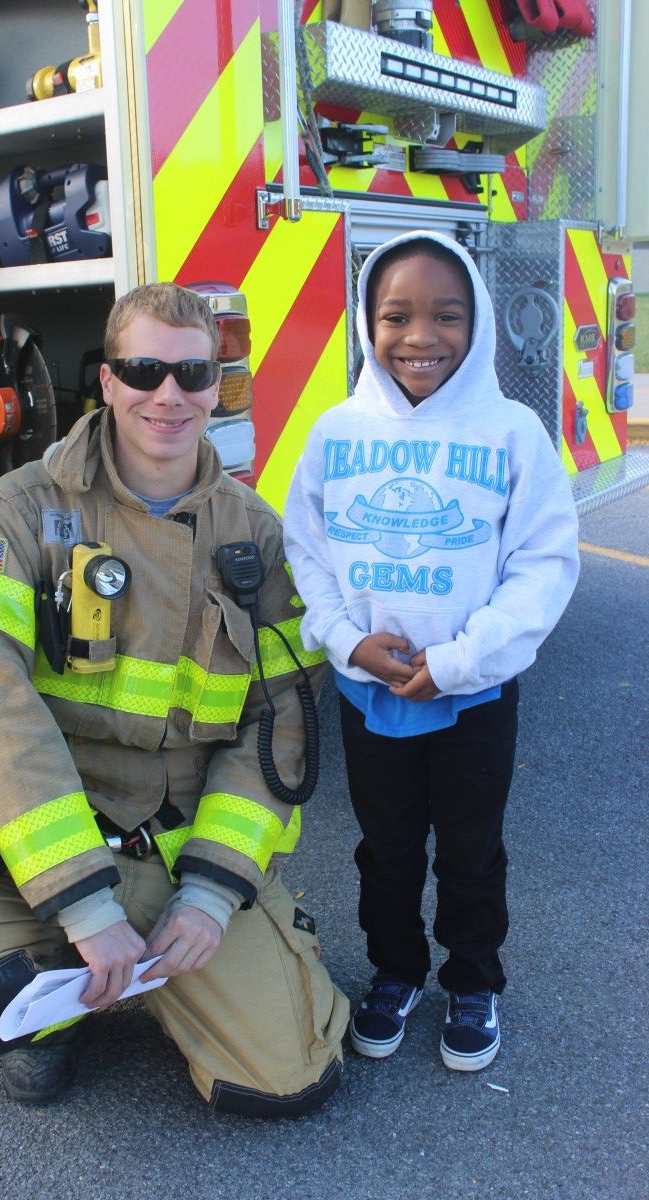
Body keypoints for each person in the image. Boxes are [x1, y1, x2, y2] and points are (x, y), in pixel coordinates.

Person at [0, 282, 349, 1111]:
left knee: (284, 1080)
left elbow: (279, 728)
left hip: (175, 853)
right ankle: (60, 1008)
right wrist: (81, 901)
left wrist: (211, 892)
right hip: (44, 853)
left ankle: (167, 969)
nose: (169, 394)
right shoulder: (20, 510)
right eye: (144, 369)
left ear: (216, 384)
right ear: (108, 380)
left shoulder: (256, 535)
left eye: (193, 375)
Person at [283, 230, 579, 1072]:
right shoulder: (337, 432)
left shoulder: (511, 433)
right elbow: (308, 550)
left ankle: (474, 980)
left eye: (447, 316)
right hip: (370, 688)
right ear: (368, 325)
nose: (421, 337)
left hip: (473, 695)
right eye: (397, 316)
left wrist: (456, 662)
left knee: (470, 848)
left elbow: (542, 565)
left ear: (479, 323)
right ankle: (395, 970)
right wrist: (346, 641)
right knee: (386, 847)